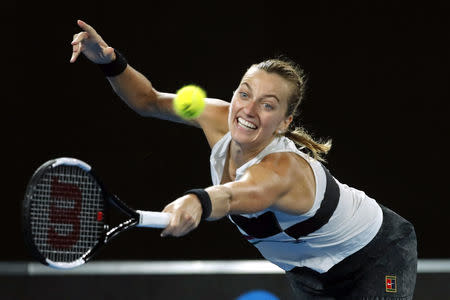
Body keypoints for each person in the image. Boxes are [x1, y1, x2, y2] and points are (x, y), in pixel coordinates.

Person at [70, 20, 417, 299]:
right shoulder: (216, 116)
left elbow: (234, 195)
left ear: (284, 122)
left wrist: (197, 200)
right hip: (312, 274)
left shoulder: (283, 170)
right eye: (244, 93)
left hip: (377, 256)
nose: (248, 110)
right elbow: (148, 100)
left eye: (267, 105)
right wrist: (110, 61)